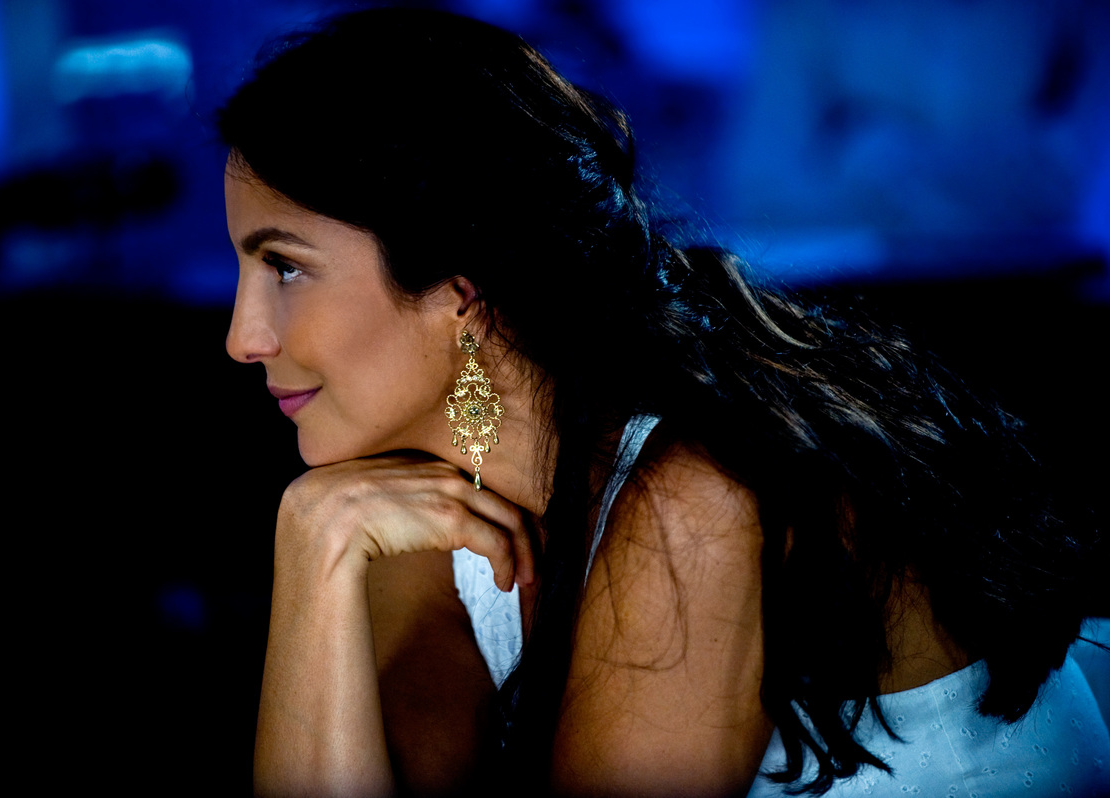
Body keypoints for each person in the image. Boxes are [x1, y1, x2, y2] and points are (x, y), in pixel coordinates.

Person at [217, 8, 1109, 796]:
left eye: (284, 266)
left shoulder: (695, 494)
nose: (242, 337)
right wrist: (312, 552)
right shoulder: (411, 500)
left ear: (460, 293)